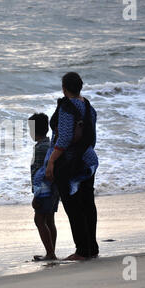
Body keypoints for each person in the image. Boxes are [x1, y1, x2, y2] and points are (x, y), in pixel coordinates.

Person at [45, 72, 99, 261]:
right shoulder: (88, 106)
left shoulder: (67, 107)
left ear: (64, 88)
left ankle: (82, 251)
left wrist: (52, 161)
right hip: (89, 160)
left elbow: (66, 137)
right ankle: (92, 247)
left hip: (70, 163)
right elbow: (92, 136)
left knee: (73, 207)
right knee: (88, 204)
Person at [28, 113, 59, 261]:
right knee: (49, 220)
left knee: (39, 220)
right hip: (53, 189)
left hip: (44, 191)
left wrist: (37, 196)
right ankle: (51, 251)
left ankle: (50, 253)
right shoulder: (49, 145)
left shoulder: (41, 148)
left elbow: (41, 174)